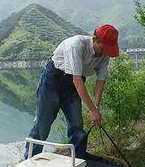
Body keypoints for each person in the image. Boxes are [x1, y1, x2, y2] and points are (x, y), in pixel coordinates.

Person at [24, 24, 120, 159]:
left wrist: (96, 107)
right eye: (103, 48)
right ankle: (30, 160)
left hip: (73, 85)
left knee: (76, 124)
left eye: (108, 50)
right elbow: (77, 80)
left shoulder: (104, 54)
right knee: (43, 124)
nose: (104, 53)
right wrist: (92, 110)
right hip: (53, 80)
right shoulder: (76, 45)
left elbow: (101, 80)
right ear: (95, 39)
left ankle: (77, 160)